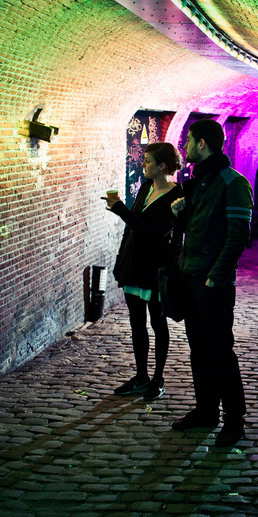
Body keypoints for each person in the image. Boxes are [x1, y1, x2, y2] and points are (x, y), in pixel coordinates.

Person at [169, 119, 253, 447]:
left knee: (219, 352)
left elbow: (238, 237)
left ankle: (234, 420)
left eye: (188, 140)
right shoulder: (198, 182)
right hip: (191, 277)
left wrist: (214, 278)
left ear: (202, 143)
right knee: (199, 351)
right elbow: (195, 230)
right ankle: (206, 411)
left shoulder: (233, 183)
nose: (185, 146)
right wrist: (181, 210)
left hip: (212, 284)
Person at [104, 143, 184, 401]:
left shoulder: (177, 196)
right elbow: (132, 229)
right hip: (134, 265)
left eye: (148, 161)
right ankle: (141, 376)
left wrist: (120, 210)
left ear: (162, 165)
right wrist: (121, 259)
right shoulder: (146, 187)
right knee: (136, 323)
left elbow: (155, 233)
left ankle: (158, 378)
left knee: (158, 324)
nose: (143, 165)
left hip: (155, 269)